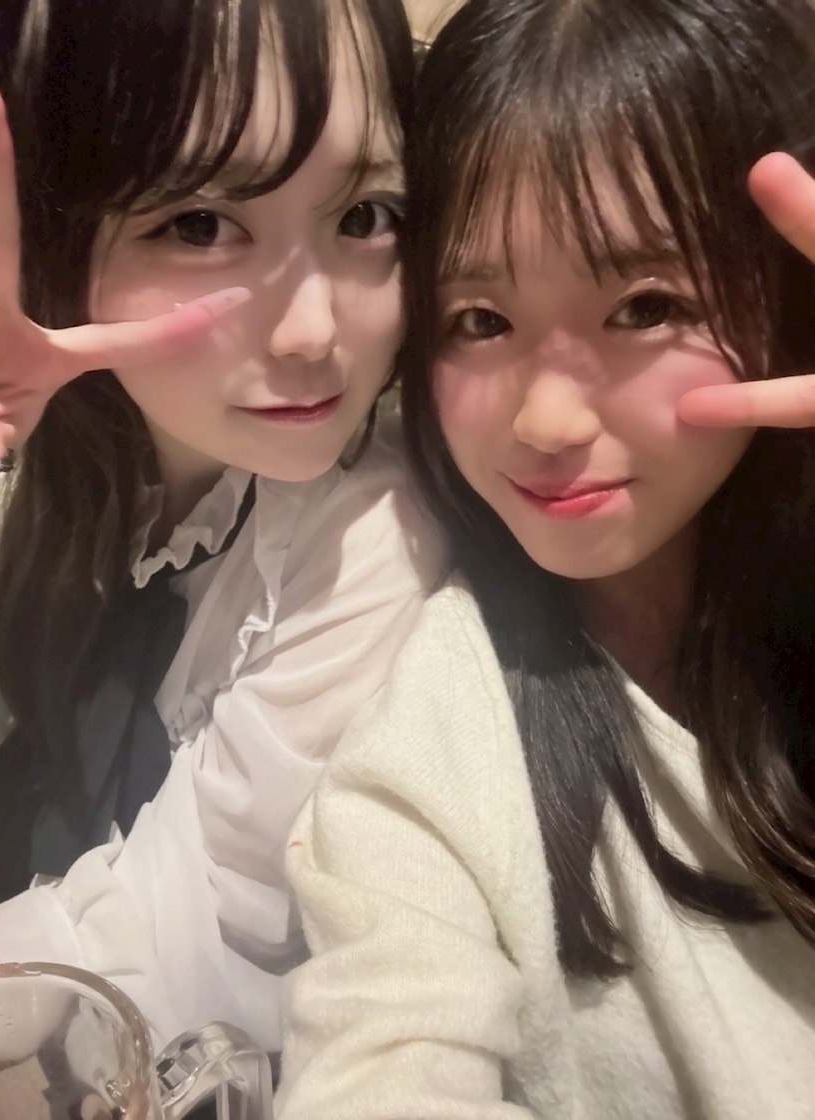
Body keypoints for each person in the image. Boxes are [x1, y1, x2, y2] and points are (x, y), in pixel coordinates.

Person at [276, 0, 815, 1115]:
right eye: (480, 320)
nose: (549, 421)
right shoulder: (442, 735)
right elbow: (382, 1059)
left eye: (646, 306)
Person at [0, 0, 442, 1056]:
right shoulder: (68, 433)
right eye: (199, 226)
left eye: (366, 215)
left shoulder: (372, 534)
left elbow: (183, 935)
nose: (312, 331)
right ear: (59, 238)